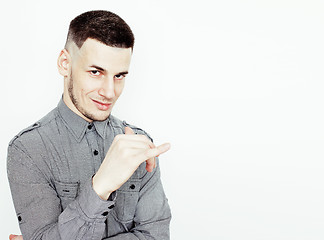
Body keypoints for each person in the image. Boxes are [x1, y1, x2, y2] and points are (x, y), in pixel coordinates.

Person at [7, 10, 171, 240]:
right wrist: (101, 185)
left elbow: (156, 236)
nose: (109, 92)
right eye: (96, 72)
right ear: (65, 64)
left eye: (119, 76)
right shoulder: (28, 149)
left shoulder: (140, 145)